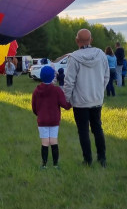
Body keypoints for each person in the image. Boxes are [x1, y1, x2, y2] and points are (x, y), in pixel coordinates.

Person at [63, 29, 110, 168]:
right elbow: (106, 76)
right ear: (91, 40)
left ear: (77, 41)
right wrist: (100, 91)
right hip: (96, 100)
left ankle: (87, 160)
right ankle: (102, 159)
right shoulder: (101, 54)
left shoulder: (74, 58)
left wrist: (67, 99)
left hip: (80, 102)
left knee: (83, 131)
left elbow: (69, 81)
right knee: (97, 129)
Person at [32, 65, 71, 169]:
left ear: (41, 76)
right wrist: (71, 102)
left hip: (42, 120)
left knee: (45, 142)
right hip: (54, 120)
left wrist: (39, 114)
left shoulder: (36, 91)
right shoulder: (57, 90)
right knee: (54, 141)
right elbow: (65, 105)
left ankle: (44, 165)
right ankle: (55, 165)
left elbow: (34, 107)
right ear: (53, 77)